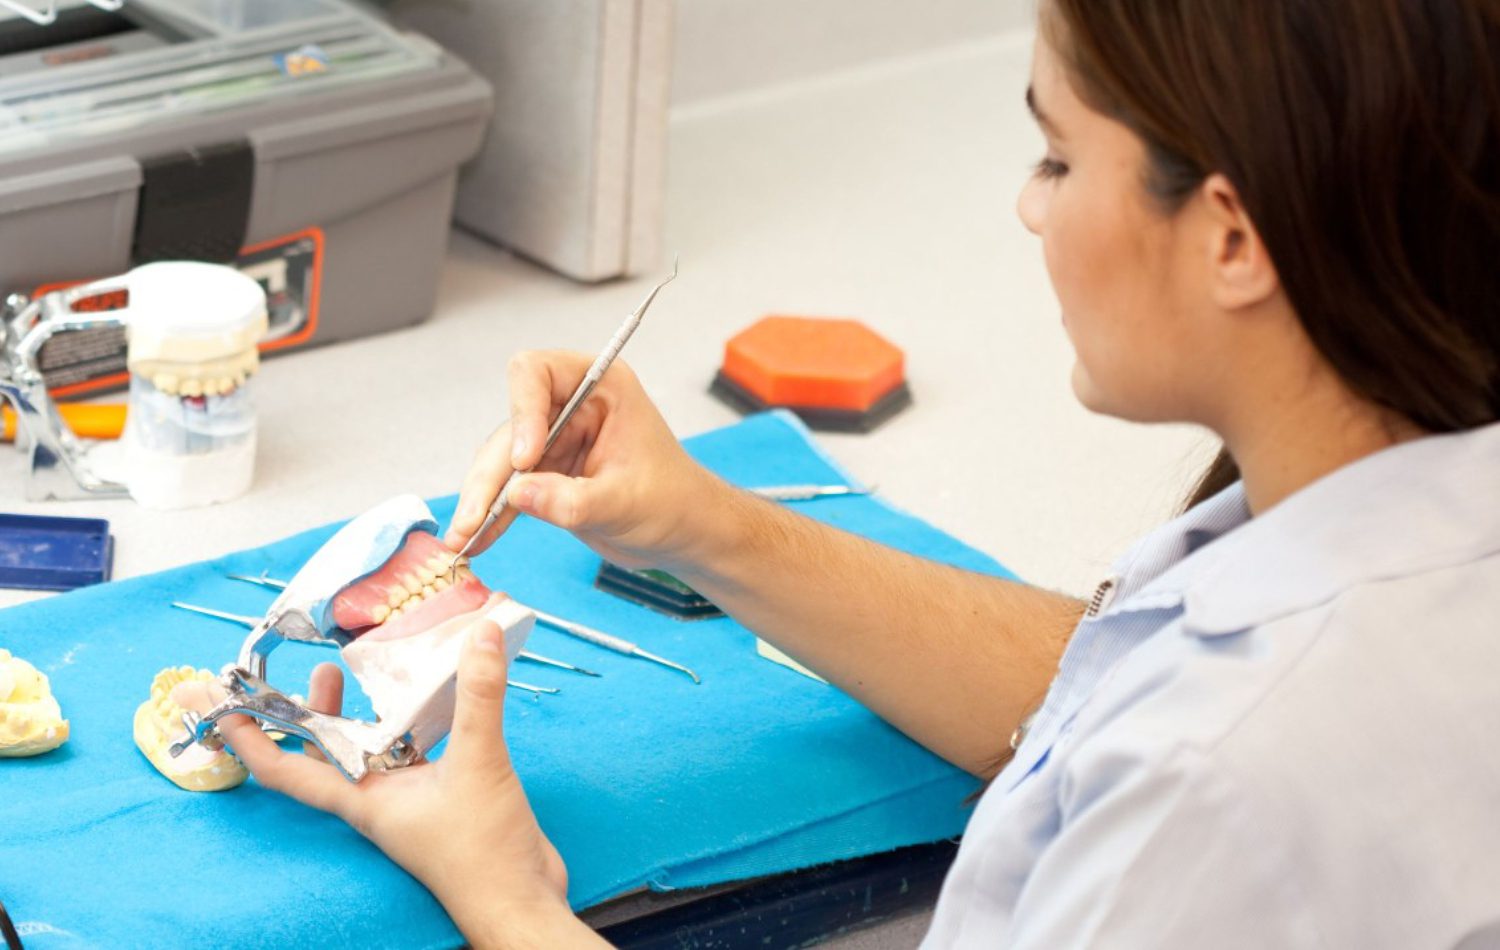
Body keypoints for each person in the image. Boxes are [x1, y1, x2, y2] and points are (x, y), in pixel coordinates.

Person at [206, 0, 1500, 945]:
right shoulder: (1405, 517)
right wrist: (700, 523)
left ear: (1230, 237)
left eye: (1057, 157)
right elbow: (1102, 682)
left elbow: (1181, 739)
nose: (1028, 208)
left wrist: (502, 889)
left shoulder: (1206, 786)